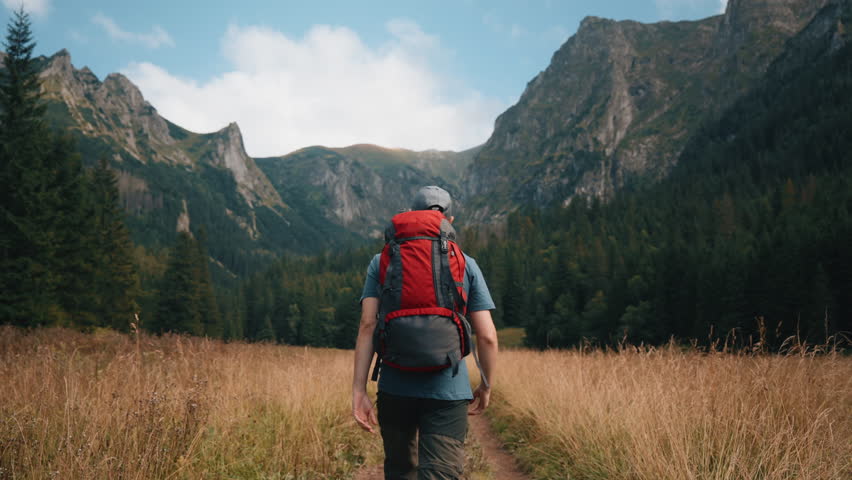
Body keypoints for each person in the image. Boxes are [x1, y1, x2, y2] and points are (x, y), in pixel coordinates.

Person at [352, 186, 499, 480]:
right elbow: (487, 337)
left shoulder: (380, 261)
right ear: (450, 220)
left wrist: (358, 390)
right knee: (442, 474)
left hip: (395, 386)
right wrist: (486, 385)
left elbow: (368, 325)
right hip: (449, 389)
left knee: (400, 471)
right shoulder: (467, 263)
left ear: (411, 213)